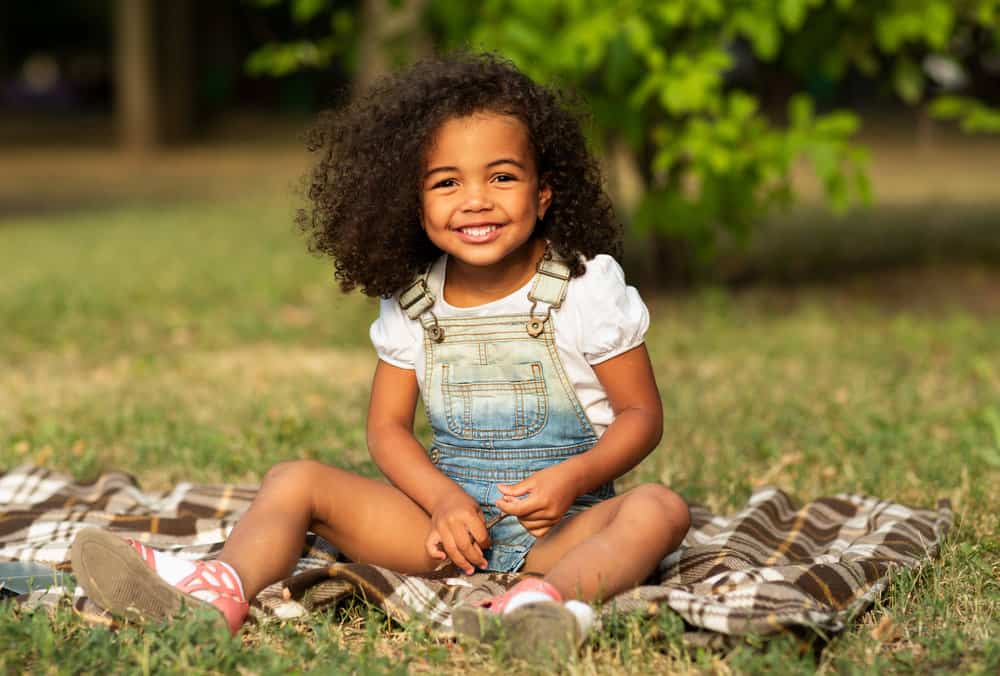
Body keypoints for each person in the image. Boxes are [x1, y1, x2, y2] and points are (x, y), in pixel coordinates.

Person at [71, 52, 691, 657]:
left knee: (660, 508)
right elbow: (387, 428)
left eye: (502, 177)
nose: (475, 199)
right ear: (415, 204)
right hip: (442, 532)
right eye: (447, 182)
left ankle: (544, 607)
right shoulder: (416, 303)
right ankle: (219, 590)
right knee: (296, 480)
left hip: (561, 531)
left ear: (544, 194)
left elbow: (641, 415)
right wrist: (445, 502)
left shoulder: (584, 289)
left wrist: (575, 478)